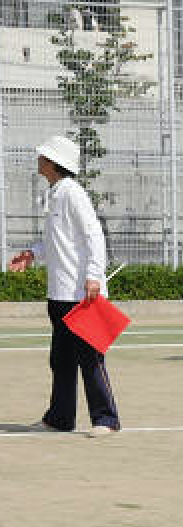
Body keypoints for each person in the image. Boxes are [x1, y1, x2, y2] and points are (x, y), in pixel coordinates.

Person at [11, 135, 121, 436]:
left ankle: (106, 419)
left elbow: (93, 236)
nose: (39, 160)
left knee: (90, 358)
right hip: (59, 292)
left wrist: (94, 275)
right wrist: (32, 253)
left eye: (43, 156)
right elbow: (55, 241)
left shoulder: (72, 193)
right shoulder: (56, 193)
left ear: (53, 163)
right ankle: (59, 418)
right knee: (60, 359)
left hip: (81, 293)